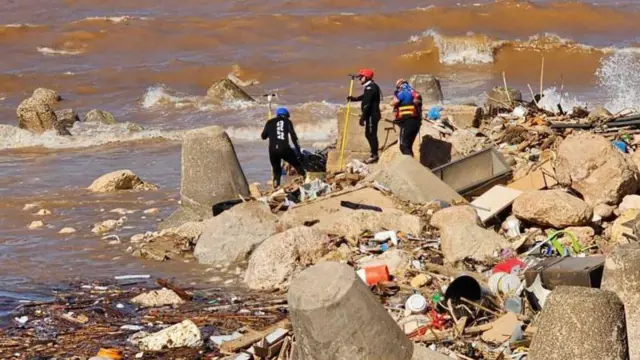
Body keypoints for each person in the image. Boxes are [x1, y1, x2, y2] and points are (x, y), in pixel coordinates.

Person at [261, 107, 306, 188]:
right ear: (287, 116)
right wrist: (298, 150)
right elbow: (293, 136)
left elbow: (263, 136)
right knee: (297, 164)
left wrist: (270, 130)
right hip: (285, 148)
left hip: (272, 150)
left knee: (276, 170)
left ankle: (276, 185)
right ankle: (305, 179)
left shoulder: (269, 122)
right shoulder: (288, 122)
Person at [347, 68, 382, 164]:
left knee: (371, 135)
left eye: (361, 77)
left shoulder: (371, 88)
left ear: (366, 77)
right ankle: (373, 154)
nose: (359, 79)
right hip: (370, 115)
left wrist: (363, 118)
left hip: (372, 115)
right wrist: (354, 99)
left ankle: (374, 155)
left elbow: (367, 104)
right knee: (369, 134)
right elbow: (365, 97)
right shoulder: (370, 87)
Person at [391, 79, 423, 157]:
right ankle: (413, 164)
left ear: (399, 85)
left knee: (403, 147)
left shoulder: (403, 92)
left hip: (407, 122)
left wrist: (395, 95)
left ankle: (409, 167)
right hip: (416, 123)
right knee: (408, 146)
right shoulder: (416, 93)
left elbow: (393, 103)